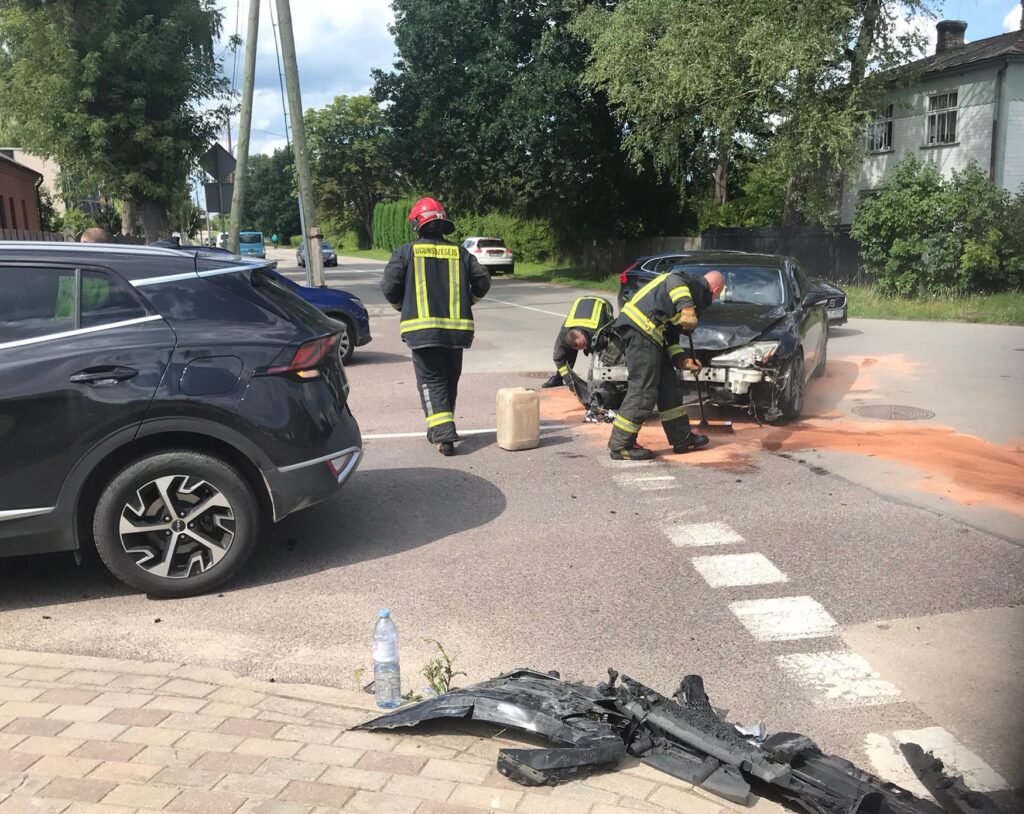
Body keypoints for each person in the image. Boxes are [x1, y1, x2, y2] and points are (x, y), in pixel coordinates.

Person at [381, 197, 491, 456]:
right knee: (448, 380)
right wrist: (468, 301)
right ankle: (439, 428)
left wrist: (402, 306)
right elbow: (483, 282)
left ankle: (444, 434)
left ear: (417, 225)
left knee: (432, 381)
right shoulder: (460, 253)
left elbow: (389, 288)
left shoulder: (405, 252)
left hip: (422, 332)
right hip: (457, 332)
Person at [607, 269, 725, 461]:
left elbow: (670, 336)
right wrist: (687, 307)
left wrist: (682, 360)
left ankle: (682, 438)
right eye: (717, 296)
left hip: (652, 335)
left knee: (668, 387)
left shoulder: (686, 295)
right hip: (641, 330)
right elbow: (674, 278)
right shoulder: (696, 284)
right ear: (716, 290)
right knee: (644, 390)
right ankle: (621, 445)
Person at [547, 296, 615, 399]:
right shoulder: (564, 335)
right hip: (581, 303)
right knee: (567, 355)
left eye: (583, 344)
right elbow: (558, 358)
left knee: (602, 355)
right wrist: (571, 383)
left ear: (581, 334)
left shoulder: (598, 334)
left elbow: (604, 357)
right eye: (580, 347)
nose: (584, 348)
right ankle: (559, 378)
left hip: (603, 304)